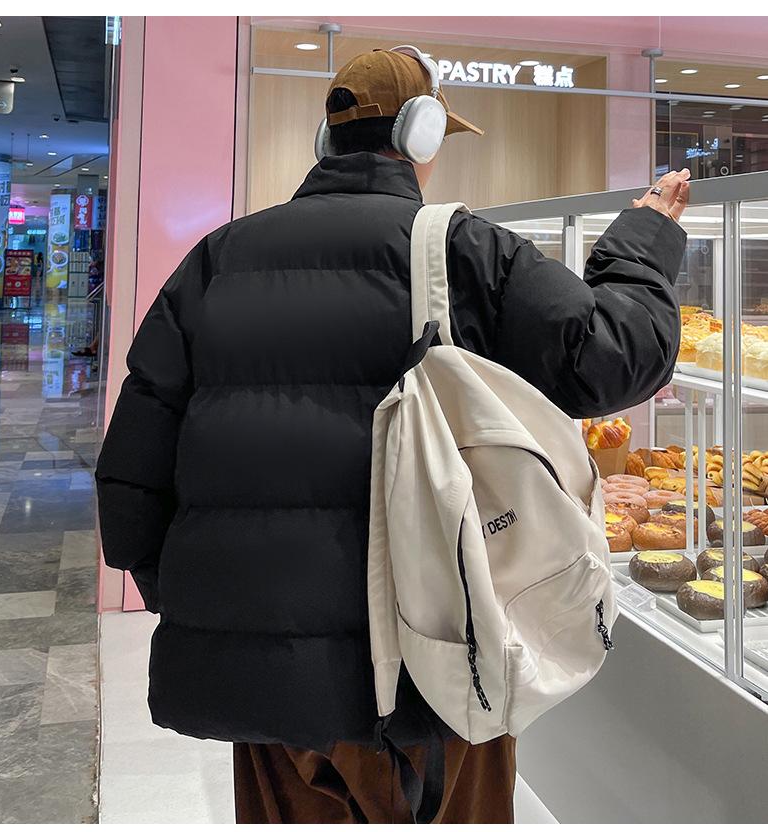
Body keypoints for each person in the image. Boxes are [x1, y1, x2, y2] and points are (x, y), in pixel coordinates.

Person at [96, 46, 689, 824]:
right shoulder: (461, 249)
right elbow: (615, 358)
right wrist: (643, 238)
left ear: (326, 140)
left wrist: (213, 610)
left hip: (267, 686)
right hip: (435, 663)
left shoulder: (216, 260)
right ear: (422, 133)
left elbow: (130, 477)